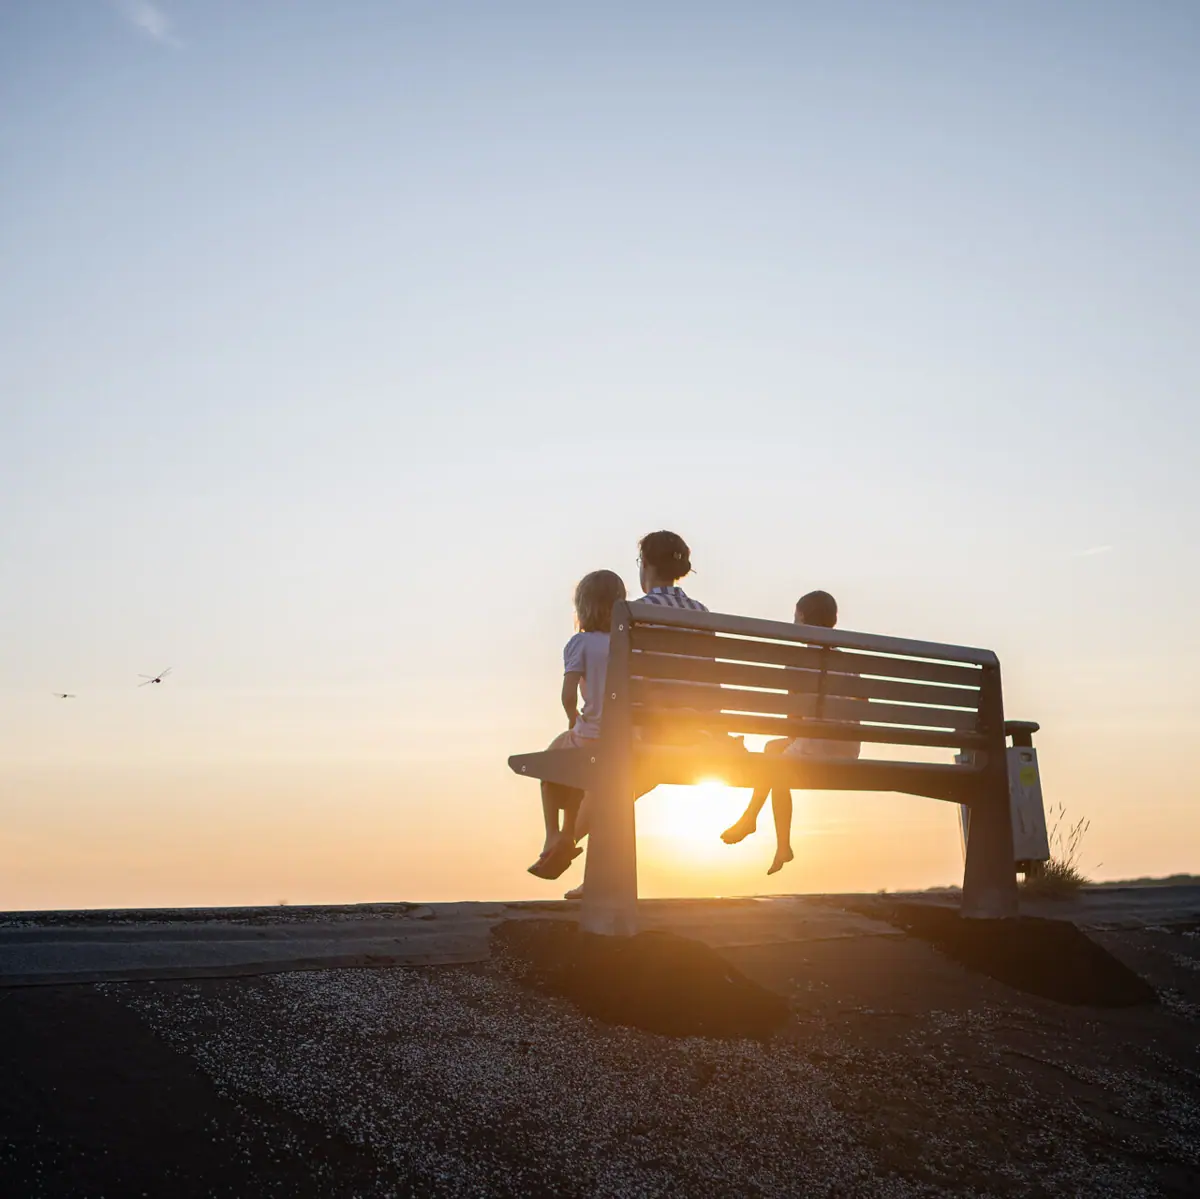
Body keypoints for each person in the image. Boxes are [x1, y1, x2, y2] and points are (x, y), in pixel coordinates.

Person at [559, 531, 710, 899]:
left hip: (648, 732)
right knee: (615, 783)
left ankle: (564, 845)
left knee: (605, 772)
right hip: (696, 733)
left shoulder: (632, 614)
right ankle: (569, 849)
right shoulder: (702, 614)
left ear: (648, 566)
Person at [721, 590, 862, 874]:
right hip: (849, 748)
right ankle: (778, 842)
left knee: (775, 758)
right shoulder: (850, 663)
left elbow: (793, 722)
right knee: (775, 751)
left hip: (818, 747)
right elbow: (860, 710)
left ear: (801, 617)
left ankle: (754, 821)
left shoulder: (798, 660)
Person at [527, 569, 627, 881]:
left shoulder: (580, 643)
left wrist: (573, 719)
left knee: (552, 761)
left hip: (593, 736)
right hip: (626, 739)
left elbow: (568, 694)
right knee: (573, 767)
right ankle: (569, 834)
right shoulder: (629, 644)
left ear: (582, 607)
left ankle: (554, 833)